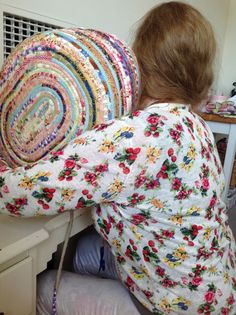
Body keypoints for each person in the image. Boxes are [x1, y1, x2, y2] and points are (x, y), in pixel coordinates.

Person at [0, 1, 235, 314]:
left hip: (172, 307)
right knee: (83, 251)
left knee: (41, 289)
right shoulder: (196, 125)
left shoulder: (138, 134)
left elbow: (19, 192)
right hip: (217, 291)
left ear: (142, 63)